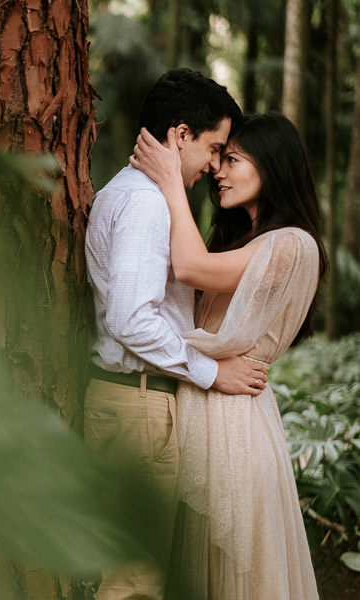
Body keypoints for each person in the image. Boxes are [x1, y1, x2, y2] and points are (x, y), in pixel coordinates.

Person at [83, 68, 268, 600]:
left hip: (133, 405)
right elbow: (130, 318)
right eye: (213, 148)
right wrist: (214, 373)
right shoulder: (145, 203)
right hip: (139, 408)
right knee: (134, 580)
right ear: (180, 135)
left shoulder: (136, 194)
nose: (215, 166)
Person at [130, 112, 326, 599]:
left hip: (235, 422)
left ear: (273, 166)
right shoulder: (246, 242)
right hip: (208, 400)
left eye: (232, 159)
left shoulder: (293, 245)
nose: (218, 169)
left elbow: (191, 267)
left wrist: (171, 180)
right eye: (219, 158)